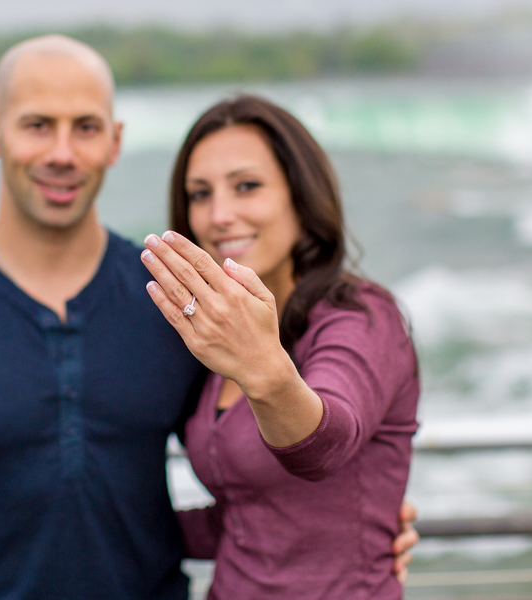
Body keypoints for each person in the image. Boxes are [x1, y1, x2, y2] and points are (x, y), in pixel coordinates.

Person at [0, 36, 417, 600]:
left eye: (85, 127)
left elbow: (317, 441)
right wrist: (348, 524)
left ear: (114, 142)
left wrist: (356, 526)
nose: (62, 153)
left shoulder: (171, 308)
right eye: (38, 124)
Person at [139, 95, 420, 598]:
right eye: (200, 194)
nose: (220, 215)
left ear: (300, 196)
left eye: (247, 186)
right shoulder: (213, 334)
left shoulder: (362, 317)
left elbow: (325, 444)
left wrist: (261, 367)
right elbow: (246, 517)